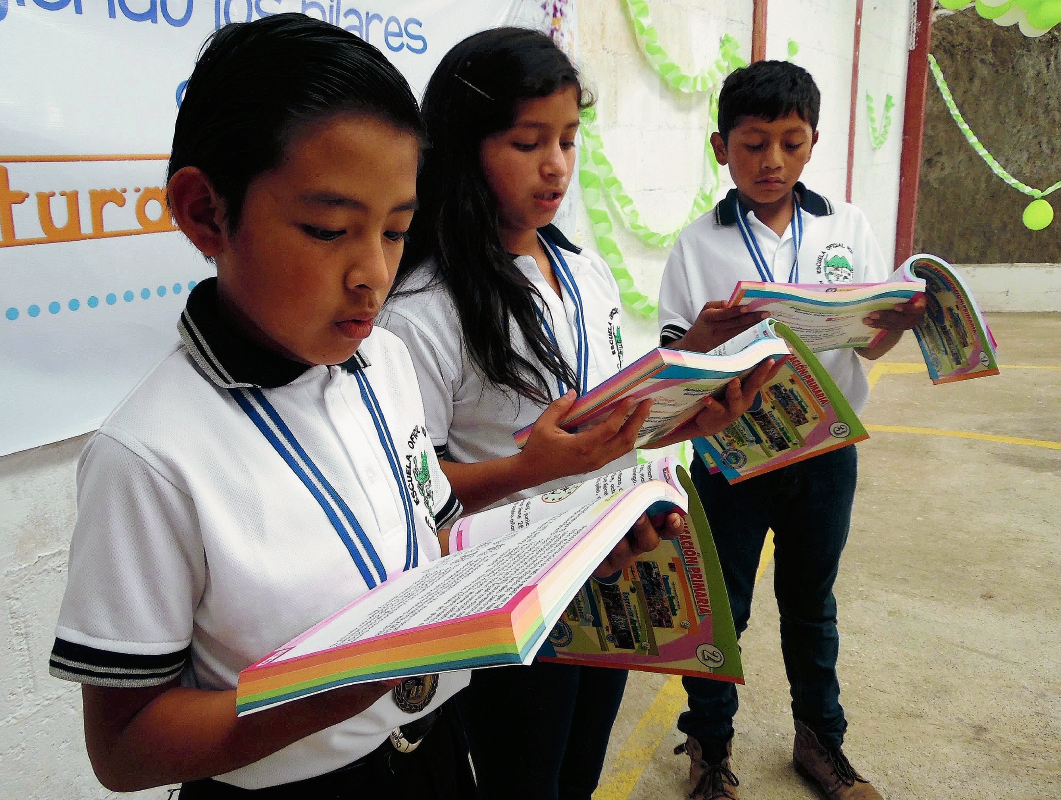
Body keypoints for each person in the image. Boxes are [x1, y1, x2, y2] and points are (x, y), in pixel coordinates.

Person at [48, 16, 482, 799]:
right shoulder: (148, 457)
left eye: (395, 231)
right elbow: (124, 749)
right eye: (327, 230)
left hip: (434, 747)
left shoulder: (383, 357)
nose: (373, 276)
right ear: (205, 213)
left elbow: (436, 526)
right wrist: (340, 686)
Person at [378, 28, 778, 800]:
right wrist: (529, 470)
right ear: (462, 148)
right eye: (528, 142)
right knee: (523, 780)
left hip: (611, 568)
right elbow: (406, 494)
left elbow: (601, 413)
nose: (557, 163)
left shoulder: (579, 267)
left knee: (579, 775)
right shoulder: (422, 309)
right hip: (511, 599)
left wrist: (685, 386)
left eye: (568, 138)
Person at [656, 60, 926, 800]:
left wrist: (896, 324)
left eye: (789, 141)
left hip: (824, 452)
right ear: (722, 148)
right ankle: (709, 748)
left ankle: (822, 744)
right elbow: (676, 362)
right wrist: (707, 338)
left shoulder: (847, 228)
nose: (770, 160)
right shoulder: (695, 245)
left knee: (812, 604)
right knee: (721, 607)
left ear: (812, 145)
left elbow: (866, 343)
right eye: (752, 143)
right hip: (728, 457)